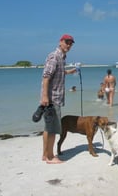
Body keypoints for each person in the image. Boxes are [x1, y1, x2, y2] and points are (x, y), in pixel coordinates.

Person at [40, 34, 77, 164]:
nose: (69, 45)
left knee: (48, 127)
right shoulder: (54, 56)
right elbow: (46, 77)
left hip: (53, 98)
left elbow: (57, 72)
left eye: (71, 43)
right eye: (67, 42)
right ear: (60, 42)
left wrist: (68, 72)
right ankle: (50, 157)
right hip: (52, 99)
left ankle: (45, 155)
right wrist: (45, 97)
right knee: (53, 129)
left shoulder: (62, 58)